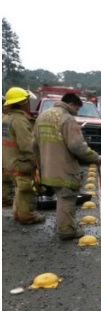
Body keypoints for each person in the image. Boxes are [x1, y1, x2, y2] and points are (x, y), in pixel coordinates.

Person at [33, 93, 101, 240]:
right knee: (67, 197)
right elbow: (77, 145)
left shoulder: (42, 116)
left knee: (60, 196)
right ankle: (67, 230)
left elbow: (34, 144)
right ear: (71, 104)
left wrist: (39, 165)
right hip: (64, 168)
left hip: (47, 167)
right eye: (76, 108)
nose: (76, 112)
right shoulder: (67, 118)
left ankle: (64, 224)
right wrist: (95, 157)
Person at [2, 87, 46, 224]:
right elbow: (27, 146)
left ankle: (18, 213)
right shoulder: (20, 120)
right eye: (27, 101)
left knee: (19, 189)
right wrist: (38, 162)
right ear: (23, 103)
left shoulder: (6, 118)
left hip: (9, 161)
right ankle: (27, 216)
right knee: (26, 189)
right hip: (20, 162)